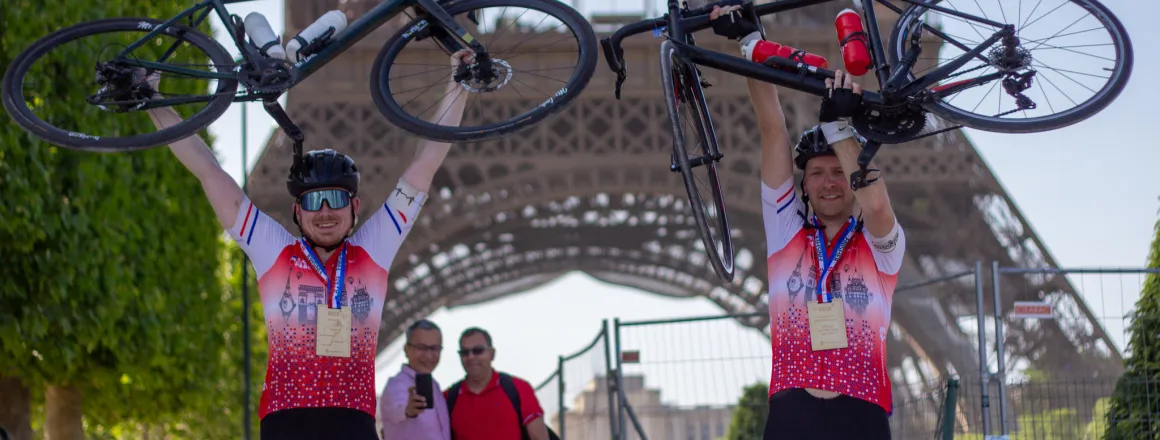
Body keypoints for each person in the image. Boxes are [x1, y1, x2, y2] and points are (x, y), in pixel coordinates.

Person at [144, 50, 475, 440]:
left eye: (335, 199)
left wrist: (460, 83)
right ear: (296, 212)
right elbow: (208, 171)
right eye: (312, 202)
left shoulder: (373, 249)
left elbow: (425, 164)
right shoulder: (274, 251)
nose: (324, 212)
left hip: (352, 420)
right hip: (287, 419)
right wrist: (152, 101)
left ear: (355, 207)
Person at [710, 5, 906, 440]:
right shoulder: (787, 233)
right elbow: (773, 130)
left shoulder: (879, 249)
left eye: (838, 172)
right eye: (816, 174)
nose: (829, 182)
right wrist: (749, 43)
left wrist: (840, 130)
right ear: (805, 184)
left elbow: (876, 208)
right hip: (792, 410)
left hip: (861, 411)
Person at [443, 328, 553, 440]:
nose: (471, 357)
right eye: (465, 352)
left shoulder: (519, 389)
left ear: (492, 354)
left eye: (478, 350)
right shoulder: (448, 398)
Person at [379, 319, 450, 440]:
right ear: (407, 350)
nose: (428, 355)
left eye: (435, 348)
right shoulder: (397, 385)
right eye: (421, 348)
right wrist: (408, 410)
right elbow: (397, 409)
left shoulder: (434, 386)